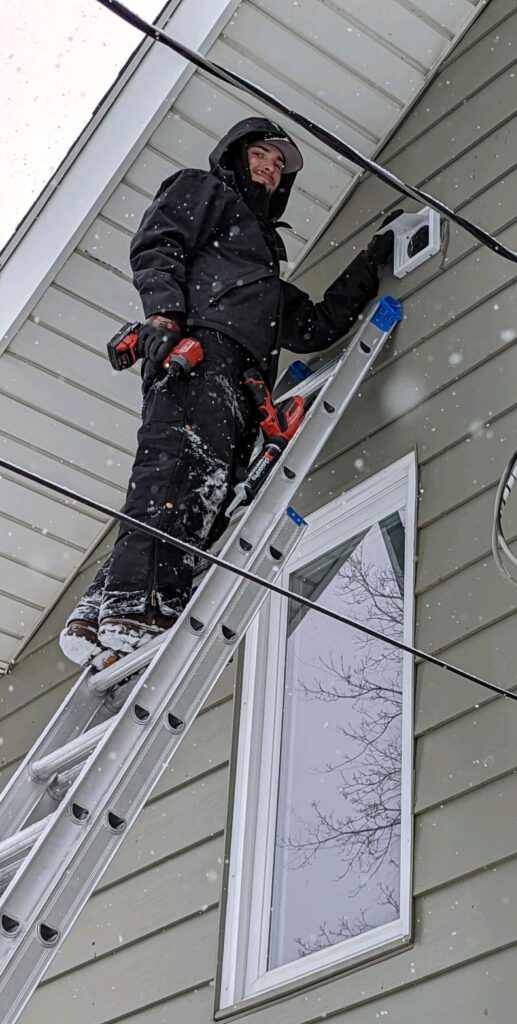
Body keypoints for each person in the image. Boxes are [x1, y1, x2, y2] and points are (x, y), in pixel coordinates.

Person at [59, 117, 398, 667]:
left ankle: (99, 610)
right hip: (202, 355)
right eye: (262, 155)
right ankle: (135, 604)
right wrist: (166, 314)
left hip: (242, 386)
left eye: (278, 166)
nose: (269, 169)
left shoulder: (259, 272)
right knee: (174, 471)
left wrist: (369, 264)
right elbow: (158, 240)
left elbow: (313, 327)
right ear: (236, 156)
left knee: (204, 496)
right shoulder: (205, 189)